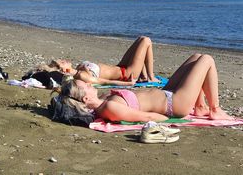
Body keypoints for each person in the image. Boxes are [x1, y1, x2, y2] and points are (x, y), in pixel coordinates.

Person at [57, 54, 234, 122]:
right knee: (207, 60)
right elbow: (146, 116)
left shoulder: (102, 101)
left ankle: (202, 107)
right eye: (85, 86)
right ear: (86, 99)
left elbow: (68, 98)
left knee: (196, 57)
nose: (89, 83)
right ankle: (215, 109)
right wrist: (174, 120)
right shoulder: (109, 108)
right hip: (175, 103)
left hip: (167, 92)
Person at [47, 36, 159, 86]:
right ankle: (150, 77)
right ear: (63, 70)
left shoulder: (78, 71)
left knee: (140, 39)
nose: (64, 59)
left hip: (121, 67)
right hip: (127, 73)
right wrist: (128, 83)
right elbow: (103, 81)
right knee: (146, 40)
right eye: (62, 61)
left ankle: (144, 76)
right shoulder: (81, 75)